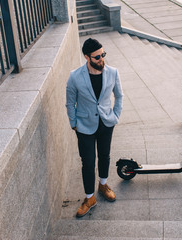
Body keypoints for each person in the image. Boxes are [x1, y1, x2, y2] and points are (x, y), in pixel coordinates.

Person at [66, 38, 123, 218]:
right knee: (88, 162)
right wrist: (74, 123)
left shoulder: (113, 72)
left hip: (106, 123)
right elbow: (70, 103)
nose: (101, 59)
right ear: (86, 57)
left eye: (103, 55)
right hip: (84, 126)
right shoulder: (75, 76)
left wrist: (115, 116)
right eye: (97, 57)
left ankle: (103, 184)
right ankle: (90, 198)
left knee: (105, 155)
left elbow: (119, 96)